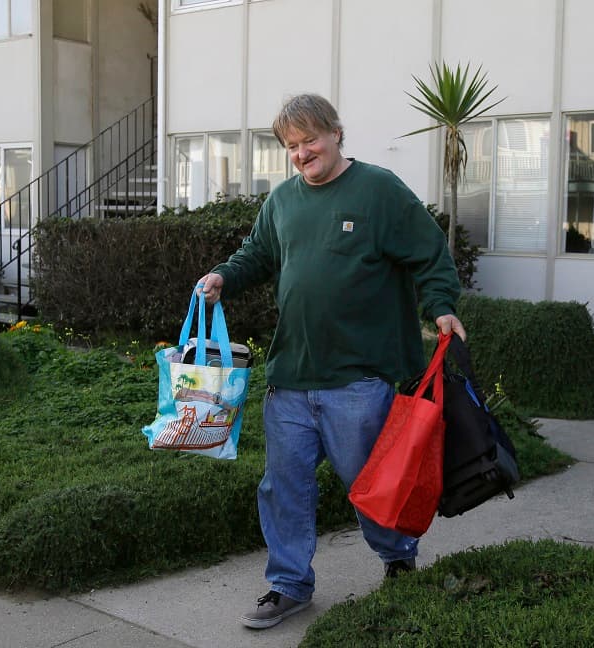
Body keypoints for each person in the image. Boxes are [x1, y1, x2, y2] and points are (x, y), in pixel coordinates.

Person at [196, 93, 465, 630]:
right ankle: (289, 584)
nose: (301, 153)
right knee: (283, 487)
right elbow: (258, 253)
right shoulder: (284, 201)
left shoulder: (377, 190)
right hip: (291, 377)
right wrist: (225, 276)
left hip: (359, 379)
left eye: (309, 140)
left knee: (371, 484)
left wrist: (441, 308)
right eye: (291, 146)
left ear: (336, 133)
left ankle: (399, 560)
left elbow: (429, 252)